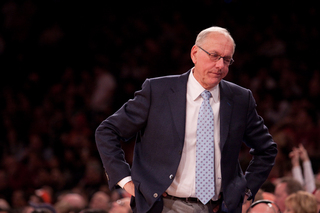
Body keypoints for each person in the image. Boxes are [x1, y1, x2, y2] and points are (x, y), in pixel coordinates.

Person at [95, 26, 278, 213]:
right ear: (195, 53)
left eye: (226, 60)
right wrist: (125, 180)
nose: (220, 66)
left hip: (219, 208)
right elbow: (107, 131)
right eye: (214, 56)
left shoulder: (240, 98)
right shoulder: (157, 91)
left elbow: (267, 149)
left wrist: (245, 191)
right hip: (163, 206)